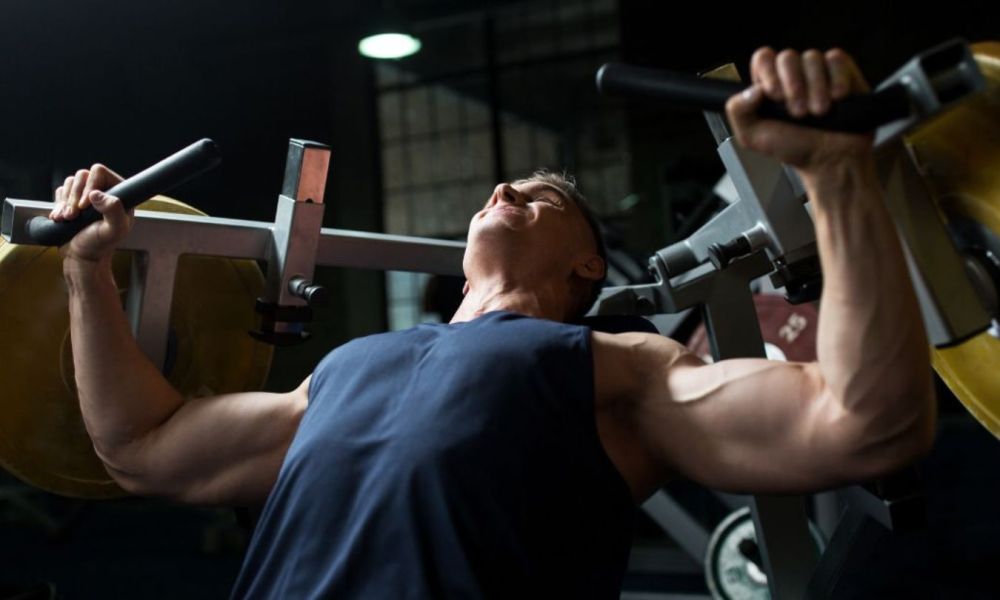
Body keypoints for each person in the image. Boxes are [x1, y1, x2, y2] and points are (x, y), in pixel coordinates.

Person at [50, 47, 935, 598]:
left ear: (590, 264)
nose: (505, 188)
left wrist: (837, 178)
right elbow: (141, 449)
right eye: (502, 188)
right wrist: (88, 271)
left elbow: (864, 424)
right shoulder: (350, 368)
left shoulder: (617, 367)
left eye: (542, 197)